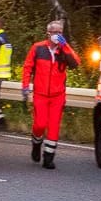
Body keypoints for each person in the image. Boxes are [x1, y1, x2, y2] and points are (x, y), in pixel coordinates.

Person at [21, 21, 78, 169]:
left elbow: (76, 63)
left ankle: (48, 157)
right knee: (40, 124)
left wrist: (65, 46)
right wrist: (25, 86)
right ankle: (36, 143)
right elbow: (27, 67)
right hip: (40, 94)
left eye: (60, 32)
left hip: (58, 95)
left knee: (53, 126)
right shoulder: (38, 48)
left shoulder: (64, 51)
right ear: (49, 34)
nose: (58, 35)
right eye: (55, 32)